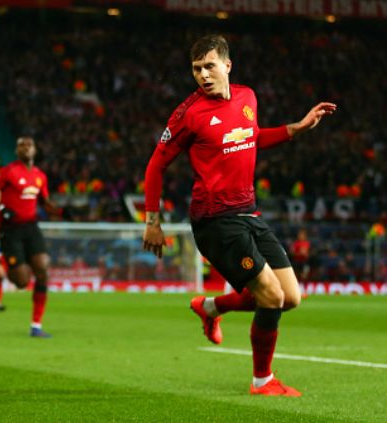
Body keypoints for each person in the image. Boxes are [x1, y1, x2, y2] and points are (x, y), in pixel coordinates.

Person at [142, 34, 336, 397]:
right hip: (214, 221)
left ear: (227, 65)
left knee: (289, 297)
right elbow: (156, 165)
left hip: (248, 212)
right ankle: (262, 381)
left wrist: (297, 127)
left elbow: (252, 137)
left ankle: (211, 306)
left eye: (209, 66)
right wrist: (152, 221)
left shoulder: (248, 97)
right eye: (196, 69)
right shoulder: (188, 114)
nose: (203, 75)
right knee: (269, 296)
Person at [0, 136, 61, 338]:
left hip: (31, 226)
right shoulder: (8, 172)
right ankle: (9, 261)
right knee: (21, 281)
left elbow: (45, 201)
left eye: (29, 144)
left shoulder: (40, 176)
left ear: (35, 150)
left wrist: (61, 210)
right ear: (17, 150)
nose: (26, 148)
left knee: (43, 267)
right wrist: (1, 208)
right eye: (21, 145)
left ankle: (36, 325)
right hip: (10, 229)